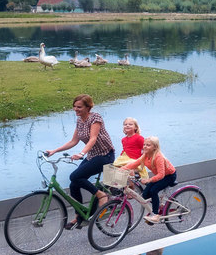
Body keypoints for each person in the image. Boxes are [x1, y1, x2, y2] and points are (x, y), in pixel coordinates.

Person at [44, 94, 115, 228]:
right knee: (74, 184)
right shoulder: (79, 121)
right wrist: (54, 151)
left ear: (88, 107)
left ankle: (101, 195)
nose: (76, 109)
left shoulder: (95, 118)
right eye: (74, 107)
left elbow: (93, 138)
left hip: (105, 156)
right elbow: (74, 141)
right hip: (92, 156)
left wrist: (82, 153)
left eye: (79, 107)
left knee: (74, 176)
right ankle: (80, 216)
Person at [127, 135, 177, 223]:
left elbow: (161, 175)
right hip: (160, 176)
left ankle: (155, 214)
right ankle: (158, 206)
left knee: (153, 190)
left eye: (148, 145)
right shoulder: (145, 155)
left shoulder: (158, 157)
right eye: (144, 144)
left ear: (155, 147)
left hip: (169, 176)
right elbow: (134, 164)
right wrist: (120, 169)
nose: (145, 146)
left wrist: (148, 180)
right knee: (145, 195)